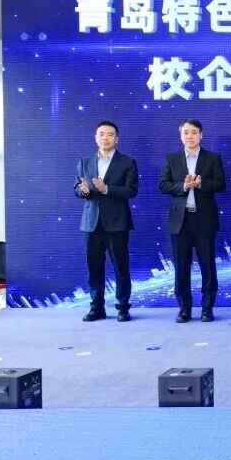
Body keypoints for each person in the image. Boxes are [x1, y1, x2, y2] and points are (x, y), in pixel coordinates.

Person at [159, 119, 226, 323]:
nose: (190, 136)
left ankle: (207, 308)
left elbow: (221, 184)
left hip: (204, 219)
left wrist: (201, 184)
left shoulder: (212, 158)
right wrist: (184, 186)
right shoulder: (172, 159)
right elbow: (163, 185)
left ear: (201, 135)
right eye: (186, 132)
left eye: (194, 132)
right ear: (181, 136)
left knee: (208, 266)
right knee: (181, 266)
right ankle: (184, 309)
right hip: (181, 220)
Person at [73, 120, 138, 322]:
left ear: (116, 139)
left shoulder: (127, 162)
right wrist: (83, 191)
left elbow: (131, 190)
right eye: (101, 134)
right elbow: (77, 188)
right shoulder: (85, 161)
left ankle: (123, 307)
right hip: (91, 223)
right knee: (94, 268)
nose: (105, 138)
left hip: (117, 222)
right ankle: (97, 308)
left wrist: (107, 189)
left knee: (121, 267)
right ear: (95, 138)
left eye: (110, 134)